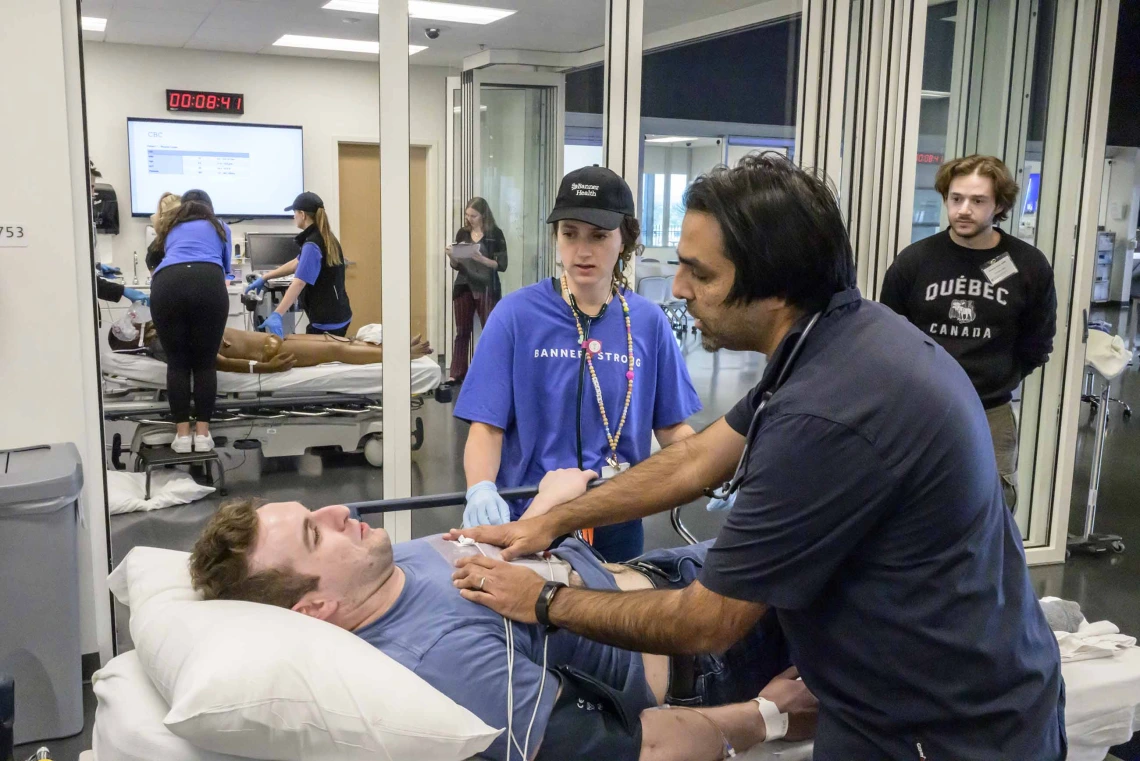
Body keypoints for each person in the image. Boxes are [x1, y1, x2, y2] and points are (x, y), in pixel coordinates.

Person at [448, 153, 1066, 760]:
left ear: (774, 287)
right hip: (886, 691)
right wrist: (548, 522)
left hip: (942, 725)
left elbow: (705, 624)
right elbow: (695, 461)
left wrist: (544, 602)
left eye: (703, 274)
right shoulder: (834, 340)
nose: (681, 288)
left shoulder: (830, 410)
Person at [187, 470, 817, 761]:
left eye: (313, 510)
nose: (335, 512)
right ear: (316, 608)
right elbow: (638, 749)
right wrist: (766, 718)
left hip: (665, 571)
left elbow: (516, 553)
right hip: (708, 649)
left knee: (828, 511)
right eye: (313, 534)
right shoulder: (443, 661)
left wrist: (546, 507)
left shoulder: (383, 561)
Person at [453, 166, 701, 562]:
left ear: (626, 240)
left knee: (609, 620)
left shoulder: (648, 324)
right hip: (531, 517)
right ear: (557, 237)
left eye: (599, 236)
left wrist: (721, 471)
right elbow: (487, 426)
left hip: (616, 522)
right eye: (570, 233)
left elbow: (671, 426)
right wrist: (480, 487)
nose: (583, 251)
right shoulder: (516, 316)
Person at [880, 155, 1057, 512]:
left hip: (990, 411)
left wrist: (999, 377)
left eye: (978, 201)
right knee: (915, 510)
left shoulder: (1029, 265)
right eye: (956, 198)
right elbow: (888, 336)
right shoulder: (914, 262)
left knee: (993, 512)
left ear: (1000, 205)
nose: (964, 210)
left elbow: (1037, 342)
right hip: (921, 409)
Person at [148, 189, 233, 454]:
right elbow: (226, 267)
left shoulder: (171, 226)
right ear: (209, 207)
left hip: (168, 284)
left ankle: (182, 436)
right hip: (208, 282)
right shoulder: (220, 226)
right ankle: (203, 435)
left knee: (178, 364)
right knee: (205, 364)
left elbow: (154, 258)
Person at [107, 321, 433, 372]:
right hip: (268, 354)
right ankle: (400, 355)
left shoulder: (166, 325)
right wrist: (263, 368)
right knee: (337, 351)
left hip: (271, 340)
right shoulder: (165, 346)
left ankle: (398, 345)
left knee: (338, 339)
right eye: (129, 327)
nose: (134, 323)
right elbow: (216, 362)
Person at [245, 192, 352, 338]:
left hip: (325, 322)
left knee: (315, 359)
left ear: (302, 214)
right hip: (340, 314)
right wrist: (265, 277)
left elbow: (299, 282)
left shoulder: (312, 243)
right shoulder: (326, 237)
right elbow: (296, 263)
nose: (293, 216)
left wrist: (277, 314)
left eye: (294, 212)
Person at [446, 197, 508, 383]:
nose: (469, 219)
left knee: (490, 331)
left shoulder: (495, 234)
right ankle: (456, 373)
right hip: (464, 284)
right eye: (467, 215)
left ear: (483, 215)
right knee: (462, 331)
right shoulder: (462, 233)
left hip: (486, 285)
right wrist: (452, 256)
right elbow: (456, 265)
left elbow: (502, 265)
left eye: (473, 215)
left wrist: (480, 258)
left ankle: (491, 372)